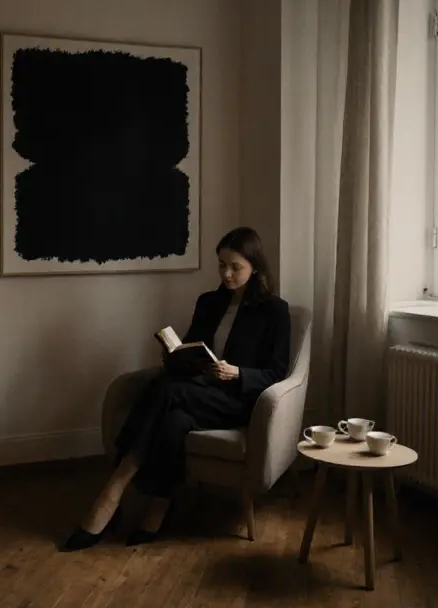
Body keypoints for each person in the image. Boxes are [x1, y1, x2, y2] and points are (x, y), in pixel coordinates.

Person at [60, 227, 292, 551]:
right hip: (198, 391)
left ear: (255, 266)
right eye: (221, 264)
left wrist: (237, 372)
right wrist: (175, 355)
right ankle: (158, 505)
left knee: (166, 392)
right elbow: (191, 350)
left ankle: (113, 491)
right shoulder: (209, 302)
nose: (226, 273)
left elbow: (277, 373)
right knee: (174, 420)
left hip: (236, 400)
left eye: (235, 267)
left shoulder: (275, 311)